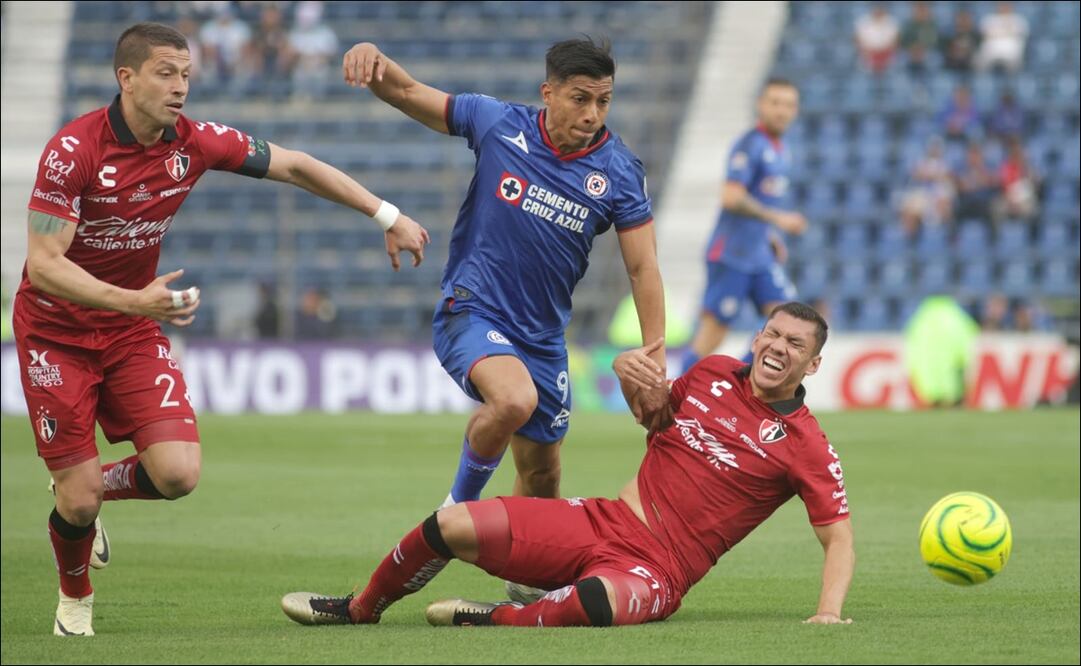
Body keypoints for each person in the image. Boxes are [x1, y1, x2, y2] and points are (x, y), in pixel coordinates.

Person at [17, 22, 429, 637]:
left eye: (186, 74)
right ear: (125, 78)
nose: (180, 86)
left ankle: (90, 487)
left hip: (130, 327)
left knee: (177, 474)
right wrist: (134, 301)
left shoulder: (196, 143)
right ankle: (75, 597)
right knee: (75, 504)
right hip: (57, 334)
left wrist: (385, 213)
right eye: (165, 73)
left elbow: (293, 166)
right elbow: (45, 266)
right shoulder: (73, 151)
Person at [282, 302, 854, 628]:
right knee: (449, 525)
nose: (779, 347)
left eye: (796, 345)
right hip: (603, 521)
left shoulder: (807, 444)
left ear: (814, 364)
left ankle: (493, 618)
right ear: (758, 336)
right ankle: (360, 609)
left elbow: (838, 539)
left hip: (660, 571)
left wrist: (828, 614)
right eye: (774, 334)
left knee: (597, 601)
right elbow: (656, 424)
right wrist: (637, 387)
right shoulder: (710, 373)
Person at [338, 39, 668, 527]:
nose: (593, 113)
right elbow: (408, 92)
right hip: (473, 308)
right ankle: (451, 518)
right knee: (514, 399)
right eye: (580, 98)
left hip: (543, 338)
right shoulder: (497, 123)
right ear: (548, 93)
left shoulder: (619, 170)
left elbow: (643, 268)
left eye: (604, 101)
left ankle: (527, 585)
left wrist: (654, 357)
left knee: (543, 477)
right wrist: (373, 57)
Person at [685, 78, 805, 371]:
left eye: (788, 104)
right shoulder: (750, 145)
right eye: (775, 102)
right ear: (760, 105)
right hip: (731, 254)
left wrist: (770, 234)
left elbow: (760, 198)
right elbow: (731, 197)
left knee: (787, 320)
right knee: (712, 335)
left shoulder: (781, 150)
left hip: (758, 254)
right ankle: (673, 398)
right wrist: (778, 220)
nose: (781, 110)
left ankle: (738, 383)